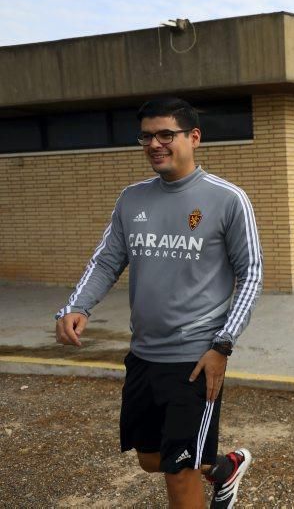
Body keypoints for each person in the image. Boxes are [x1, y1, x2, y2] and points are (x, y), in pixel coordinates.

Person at [55, 97, 262, 508]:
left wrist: (222, 345)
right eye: (147, 136)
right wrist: (77, 307)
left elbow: (251, 274)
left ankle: (207, 470)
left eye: (166, 134)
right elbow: (107, 260)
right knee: (150, 458)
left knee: (178, 473)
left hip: (195, 360)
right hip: (144, 355)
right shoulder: (132, 199)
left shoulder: (228, 199)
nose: (155, 144)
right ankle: (224, 468)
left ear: (194, 138)